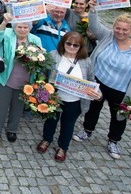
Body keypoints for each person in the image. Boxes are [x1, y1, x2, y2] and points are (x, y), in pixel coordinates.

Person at [73, 0, 131, 159]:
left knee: (119, 116)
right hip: (99, 81)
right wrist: (93, 10)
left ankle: (113, 140)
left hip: (121, 89)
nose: (120, 32)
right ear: (113, 27)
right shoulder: (108, 36)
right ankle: (87, 130)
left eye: (125, 30)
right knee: (93, 109)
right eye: (118, 28)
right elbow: (94, 27)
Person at [36, 31, 100, 162]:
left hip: (74, 101)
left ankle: (63, 147)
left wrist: (97, 93)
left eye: (75, 45)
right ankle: (46, 139)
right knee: (50, 121)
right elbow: (44, 72)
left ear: (81, 47)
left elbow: (91, 80)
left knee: (68, 124)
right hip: (55, 98)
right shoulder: (54, 55)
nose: (71, 47)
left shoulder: (86, 61)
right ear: (63, 43)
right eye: (68, 43)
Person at [0, 13, 42, 143]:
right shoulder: (7, 33)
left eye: (25, 27)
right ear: (14, 27)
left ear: (29, 28)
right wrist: (4, 22)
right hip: (5, 76)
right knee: (0, 105)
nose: (22, 30)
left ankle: (12, 130)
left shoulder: (35, 39)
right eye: (19, 27)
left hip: (24, 80)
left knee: (18, 107)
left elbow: (41, 57)